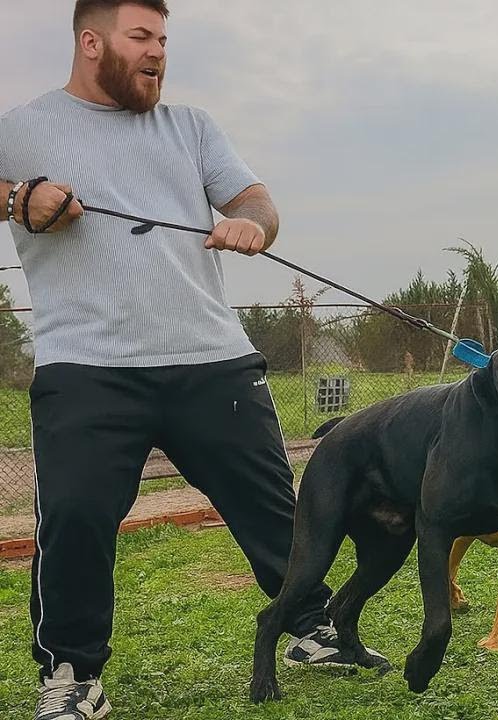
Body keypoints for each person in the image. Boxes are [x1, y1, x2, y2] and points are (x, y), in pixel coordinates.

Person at [0, 3, 383, 718]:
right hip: (86, 367)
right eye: (141, 37)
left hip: (212, 359)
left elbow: (255, 198)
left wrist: (250, 223)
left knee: (275, 507)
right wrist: (19, 196)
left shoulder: (191, 127)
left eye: (164, 40)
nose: (158, 53)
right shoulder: (22, 128)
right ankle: (74, 674)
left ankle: (309, 626)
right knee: (75, 517)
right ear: (92, 41)